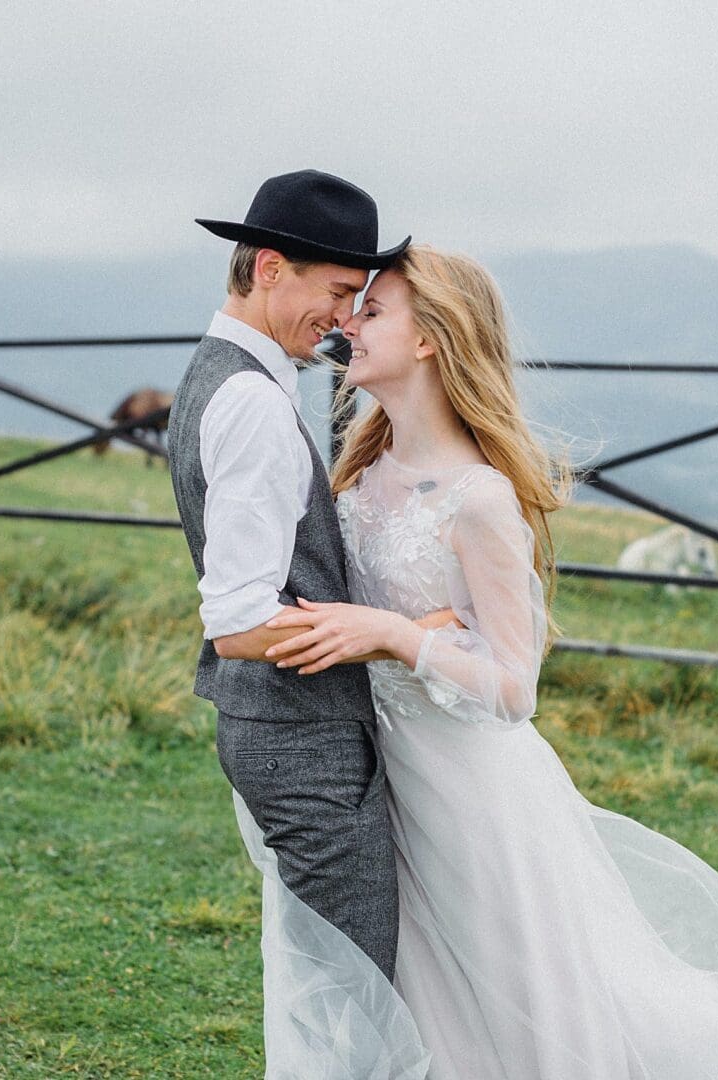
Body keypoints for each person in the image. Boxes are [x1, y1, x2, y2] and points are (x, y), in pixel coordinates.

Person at [255, 245, 718, 1078]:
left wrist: (396, 635)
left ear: (432, 339)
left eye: (375, 310)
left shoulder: (482, 499)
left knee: (526, 1007)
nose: (349, 323)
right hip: (380, 778)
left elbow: (512, 689)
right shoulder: (358, 473)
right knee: (428, 1000)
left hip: (471, 797)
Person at [168, 171, 444, 1075]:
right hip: (303, 742)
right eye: (333, 295)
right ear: (271, 268)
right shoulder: (249, 400)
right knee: (359, 988)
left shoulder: (226, 374)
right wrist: (386, 633)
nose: (338, 320)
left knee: (331, 981)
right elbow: (240, 617)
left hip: (282, 730)